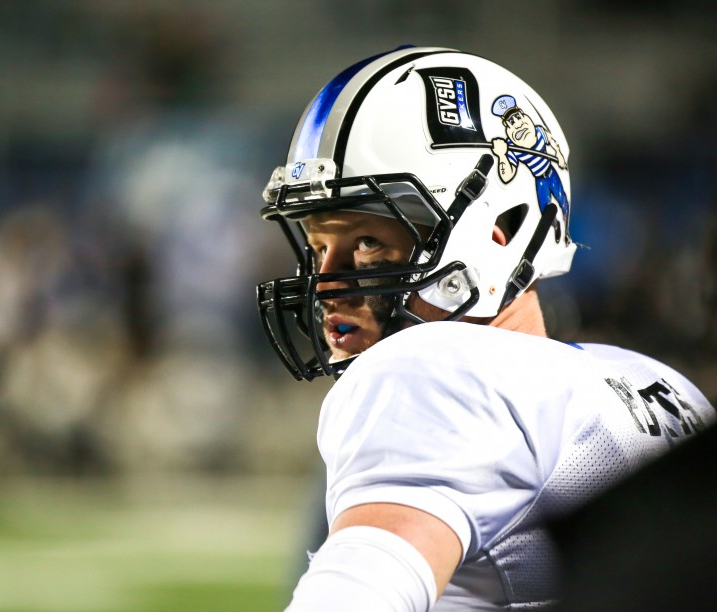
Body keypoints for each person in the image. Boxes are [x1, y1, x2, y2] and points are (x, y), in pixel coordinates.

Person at [254, 45, 715, 610]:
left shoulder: (432, 370)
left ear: (499, 228)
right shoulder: (661, 387)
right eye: (318, 246)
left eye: (368, 242)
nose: (325, 284)